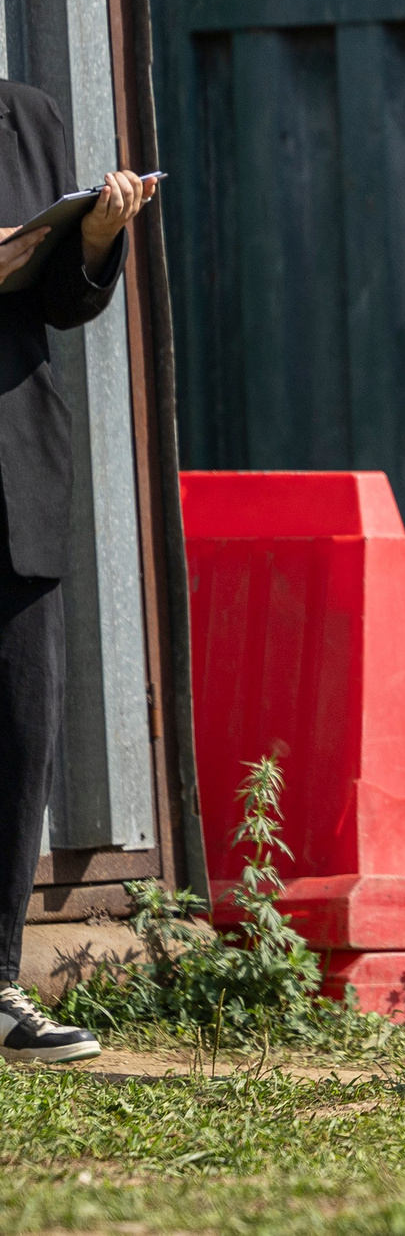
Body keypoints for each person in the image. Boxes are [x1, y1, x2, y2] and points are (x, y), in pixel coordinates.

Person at [0, 104, 156, 1067]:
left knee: (20, 733)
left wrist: (96, 235)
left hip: (15, 469)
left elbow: (64, 299)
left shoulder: (27, 117)